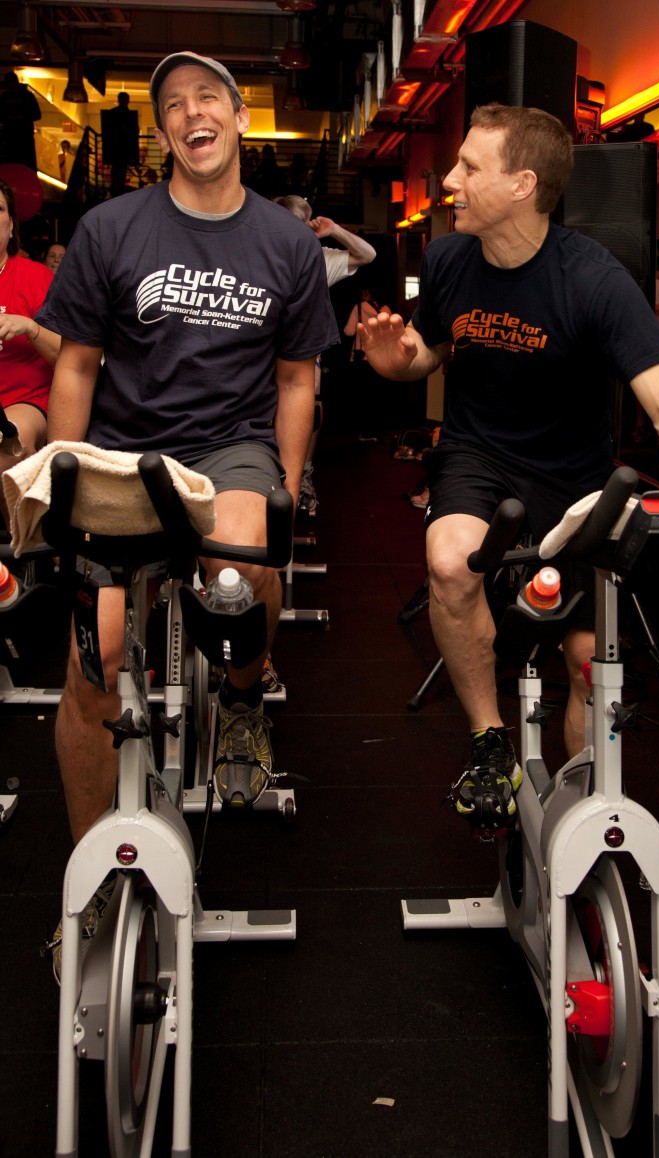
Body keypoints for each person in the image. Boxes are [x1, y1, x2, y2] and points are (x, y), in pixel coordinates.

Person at [358, 103, 659, 823]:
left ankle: (569, 814)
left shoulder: (594, 282)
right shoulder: (447, 259)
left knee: (587, 665)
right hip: (477, 456)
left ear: (523, 184)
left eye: (470, 168)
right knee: (449, 564)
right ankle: (488, 739)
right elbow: (427, 350)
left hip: (574, 482)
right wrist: (396, 360)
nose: (450, 180)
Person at [34, 51, 338, 841]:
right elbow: (75, 364)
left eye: (209, 98)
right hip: (124, 453)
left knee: (242, 562)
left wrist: (286, 491)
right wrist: (59, 485)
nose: (191, 113)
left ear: (240, 119)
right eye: (173, 104)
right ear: (165, 130)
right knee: (94, 663)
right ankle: (91, 873)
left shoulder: (288, 243)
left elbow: (298, 380)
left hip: (230, 446)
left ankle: (240, 697)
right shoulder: (110, 229)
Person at [274, 194, 377, 509]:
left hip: (304, 349)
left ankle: (302, 473)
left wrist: (333, 229)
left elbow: (367, 254)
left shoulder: (319, 257)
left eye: (302, 225)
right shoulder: (262, 253)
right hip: (264, 348)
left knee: (310, 409)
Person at [0, 178, 61, 531]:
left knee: (10, 439)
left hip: (27, 400)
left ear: (11, 225)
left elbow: (70, 357)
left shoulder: (37, 278)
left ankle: (26, 555)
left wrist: (28, 327)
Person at [344, 286, 392, 441]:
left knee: (363, 397)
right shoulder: (385, 309)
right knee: (378, 397)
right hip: (381, 358)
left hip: (363, 358)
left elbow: (348, 331)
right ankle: (378, 432)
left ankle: (365, 432)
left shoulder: (358, 308)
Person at [100, 91, 139, 197]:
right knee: (121, 170)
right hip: (123, 148)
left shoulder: (112, 114)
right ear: (127, 101)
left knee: (117, 169)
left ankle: (115, 188)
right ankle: (118, 188)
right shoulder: (129, 115)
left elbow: (108, 130)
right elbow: (134, 131)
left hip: (114, 148)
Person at [0, 70, 41, 171]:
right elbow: (37, 115)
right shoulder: (28, 96)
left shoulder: (4, 98)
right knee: (27, 167)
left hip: (10, 138)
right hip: (24, 137)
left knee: (11, 167)